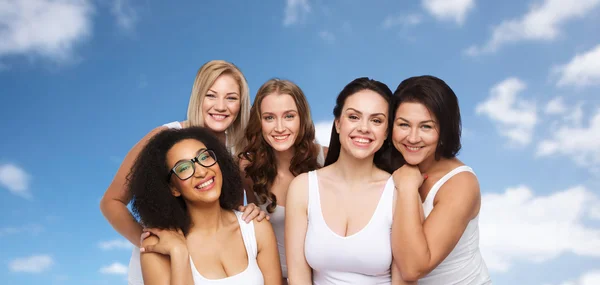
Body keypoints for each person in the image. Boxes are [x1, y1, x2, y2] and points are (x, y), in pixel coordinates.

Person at [99, 60, 266, 284]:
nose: (220, 106)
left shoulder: (238, 149)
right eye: (211, 95)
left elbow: (229, 211)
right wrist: (153, 243)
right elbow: (111, 201)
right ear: (198, 96)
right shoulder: (163, 140)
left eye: (231, 98)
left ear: (241, 104)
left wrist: (251, 211)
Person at [285, 77, 413, 284]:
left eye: (376, 120)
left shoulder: (398, 191)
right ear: (337, 123)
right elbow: (298, 276)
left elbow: (405, 279)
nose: (364, 128)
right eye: (354, 117)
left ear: (387, 132)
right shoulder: (303, 188)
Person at [130, 127, 282, 284]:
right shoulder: (158, 246)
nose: (201, 171)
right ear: (173, 188)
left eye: (204, 157)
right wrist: (179, 253)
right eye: (184, 168)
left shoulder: (256, 227)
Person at [389, 75, 491, 284]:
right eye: (403, 125)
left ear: (444, 130)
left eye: (426, 127)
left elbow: (412, 268)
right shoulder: (393, 162)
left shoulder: (460, 184)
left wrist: (408, 187)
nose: (413, 137)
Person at [239, 79, 325, 283]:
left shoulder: (327, 160)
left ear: (302, 118)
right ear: (259, 121)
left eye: (289, 116)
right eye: (269, 117)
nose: (279, 127)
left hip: (322, 278)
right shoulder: (247, 168)